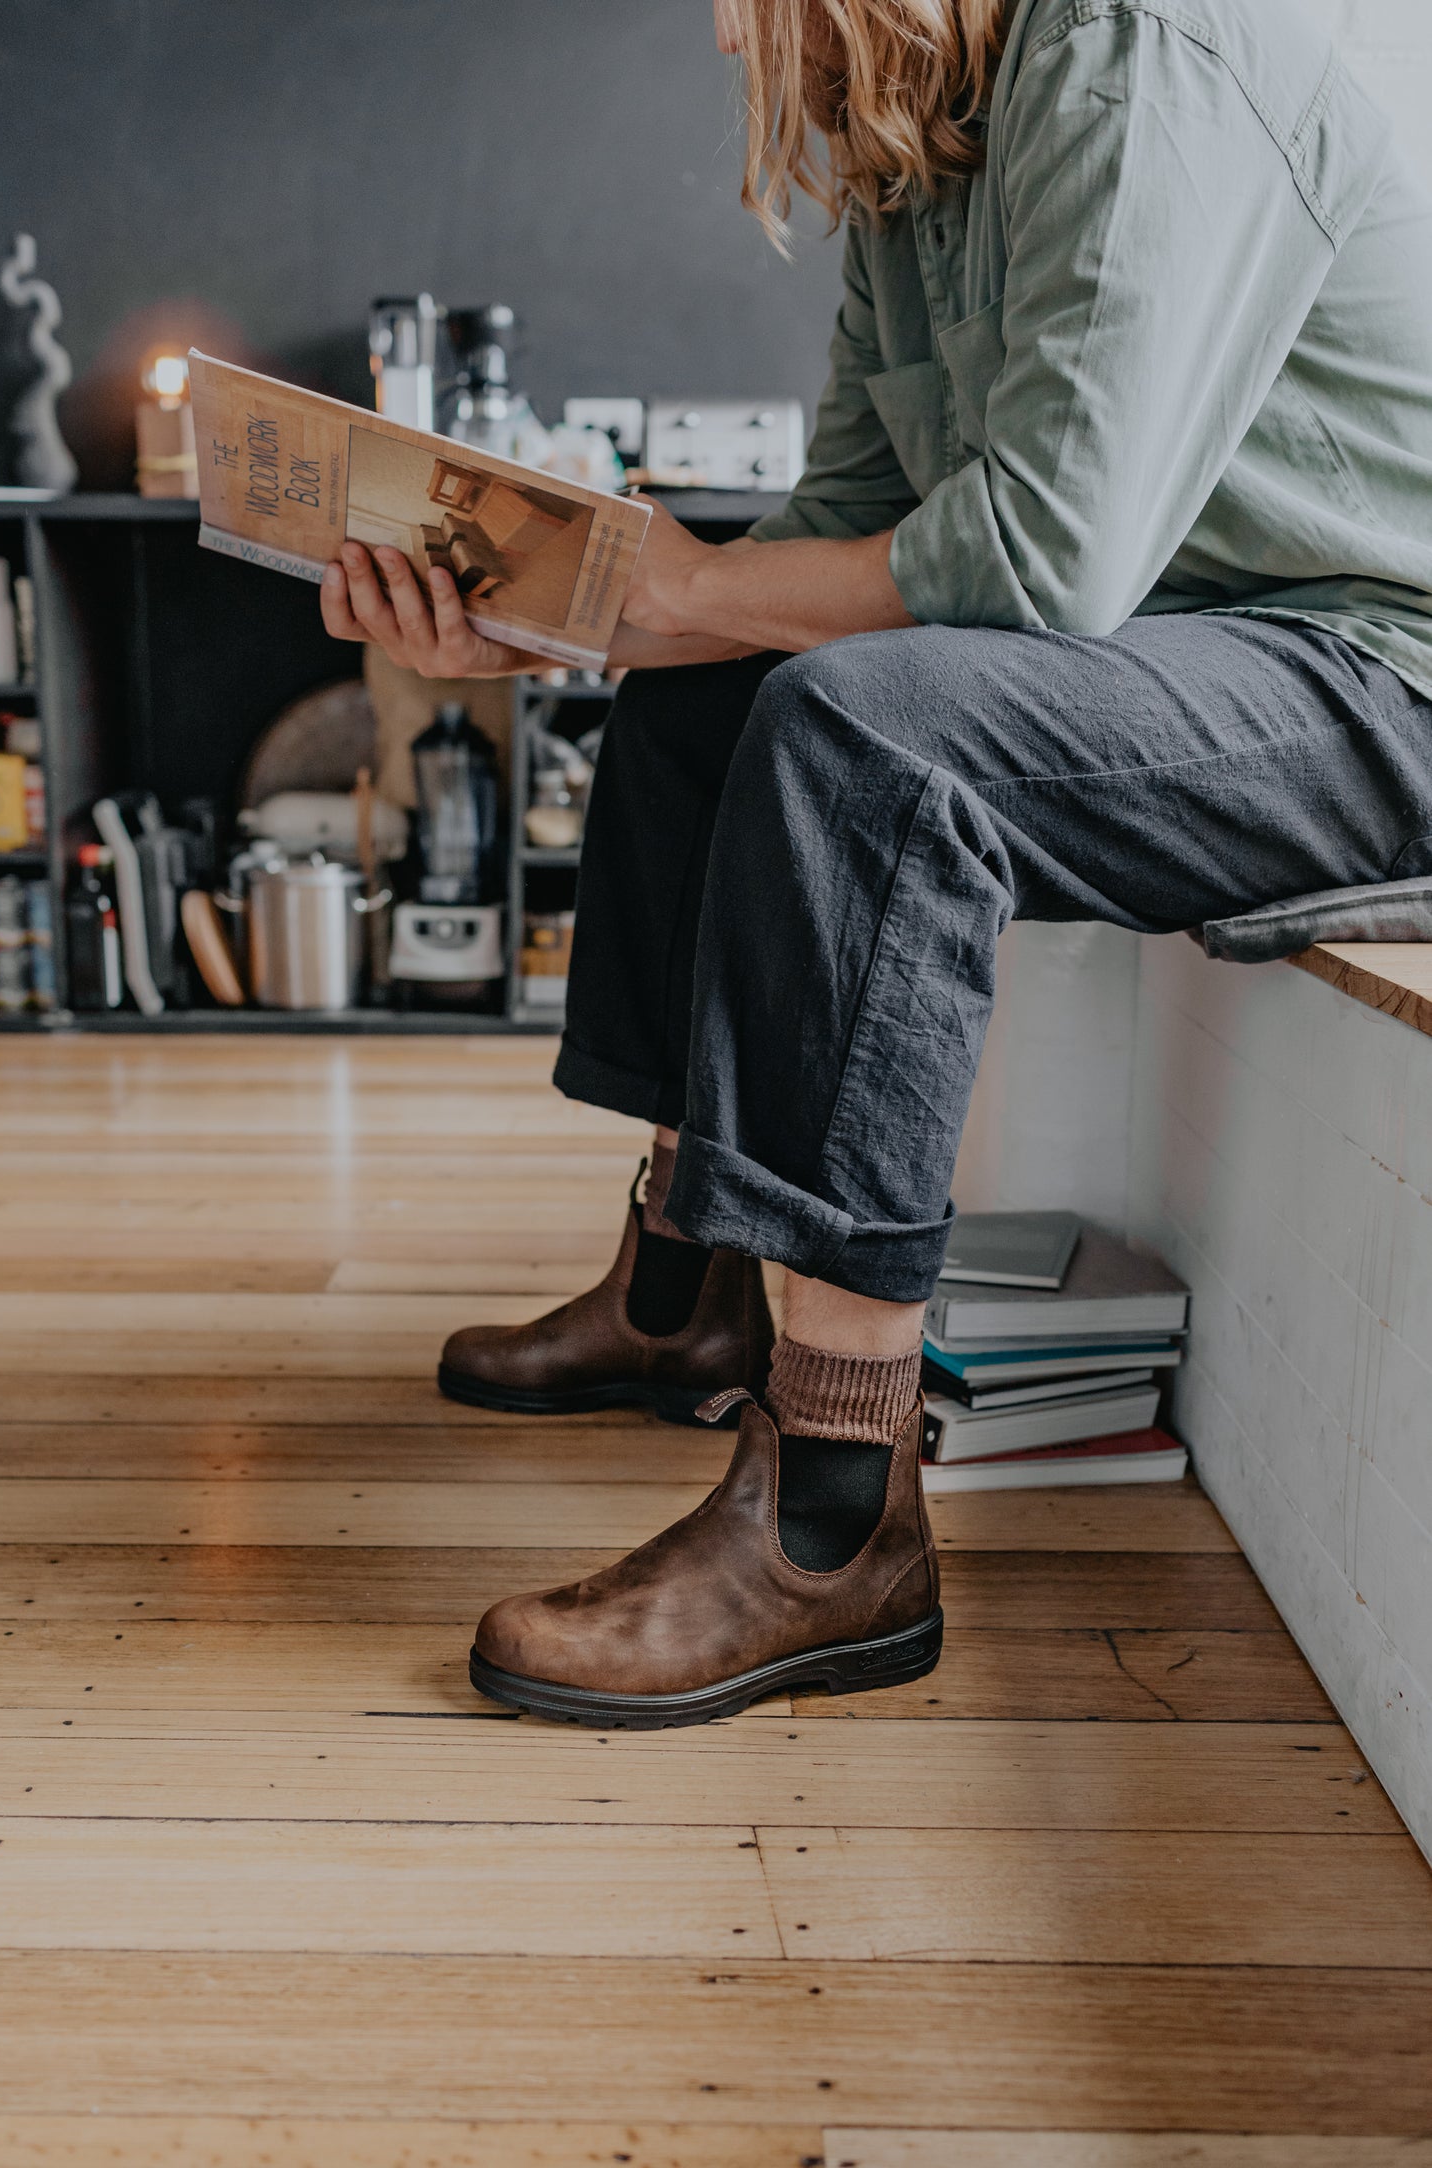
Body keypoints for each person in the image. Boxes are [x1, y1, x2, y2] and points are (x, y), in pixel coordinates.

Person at [322, 0, 1432, 1727]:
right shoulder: (923, 153)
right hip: (1191, 654)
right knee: (707, 708)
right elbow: (827, 526)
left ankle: (836, 1525)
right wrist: (550, 627)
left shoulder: (1144, 51)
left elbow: (1044, 558)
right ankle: (686, 1290)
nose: (715, 39)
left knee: (870, 729)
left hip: (1368, 674)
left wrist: (680, 600)